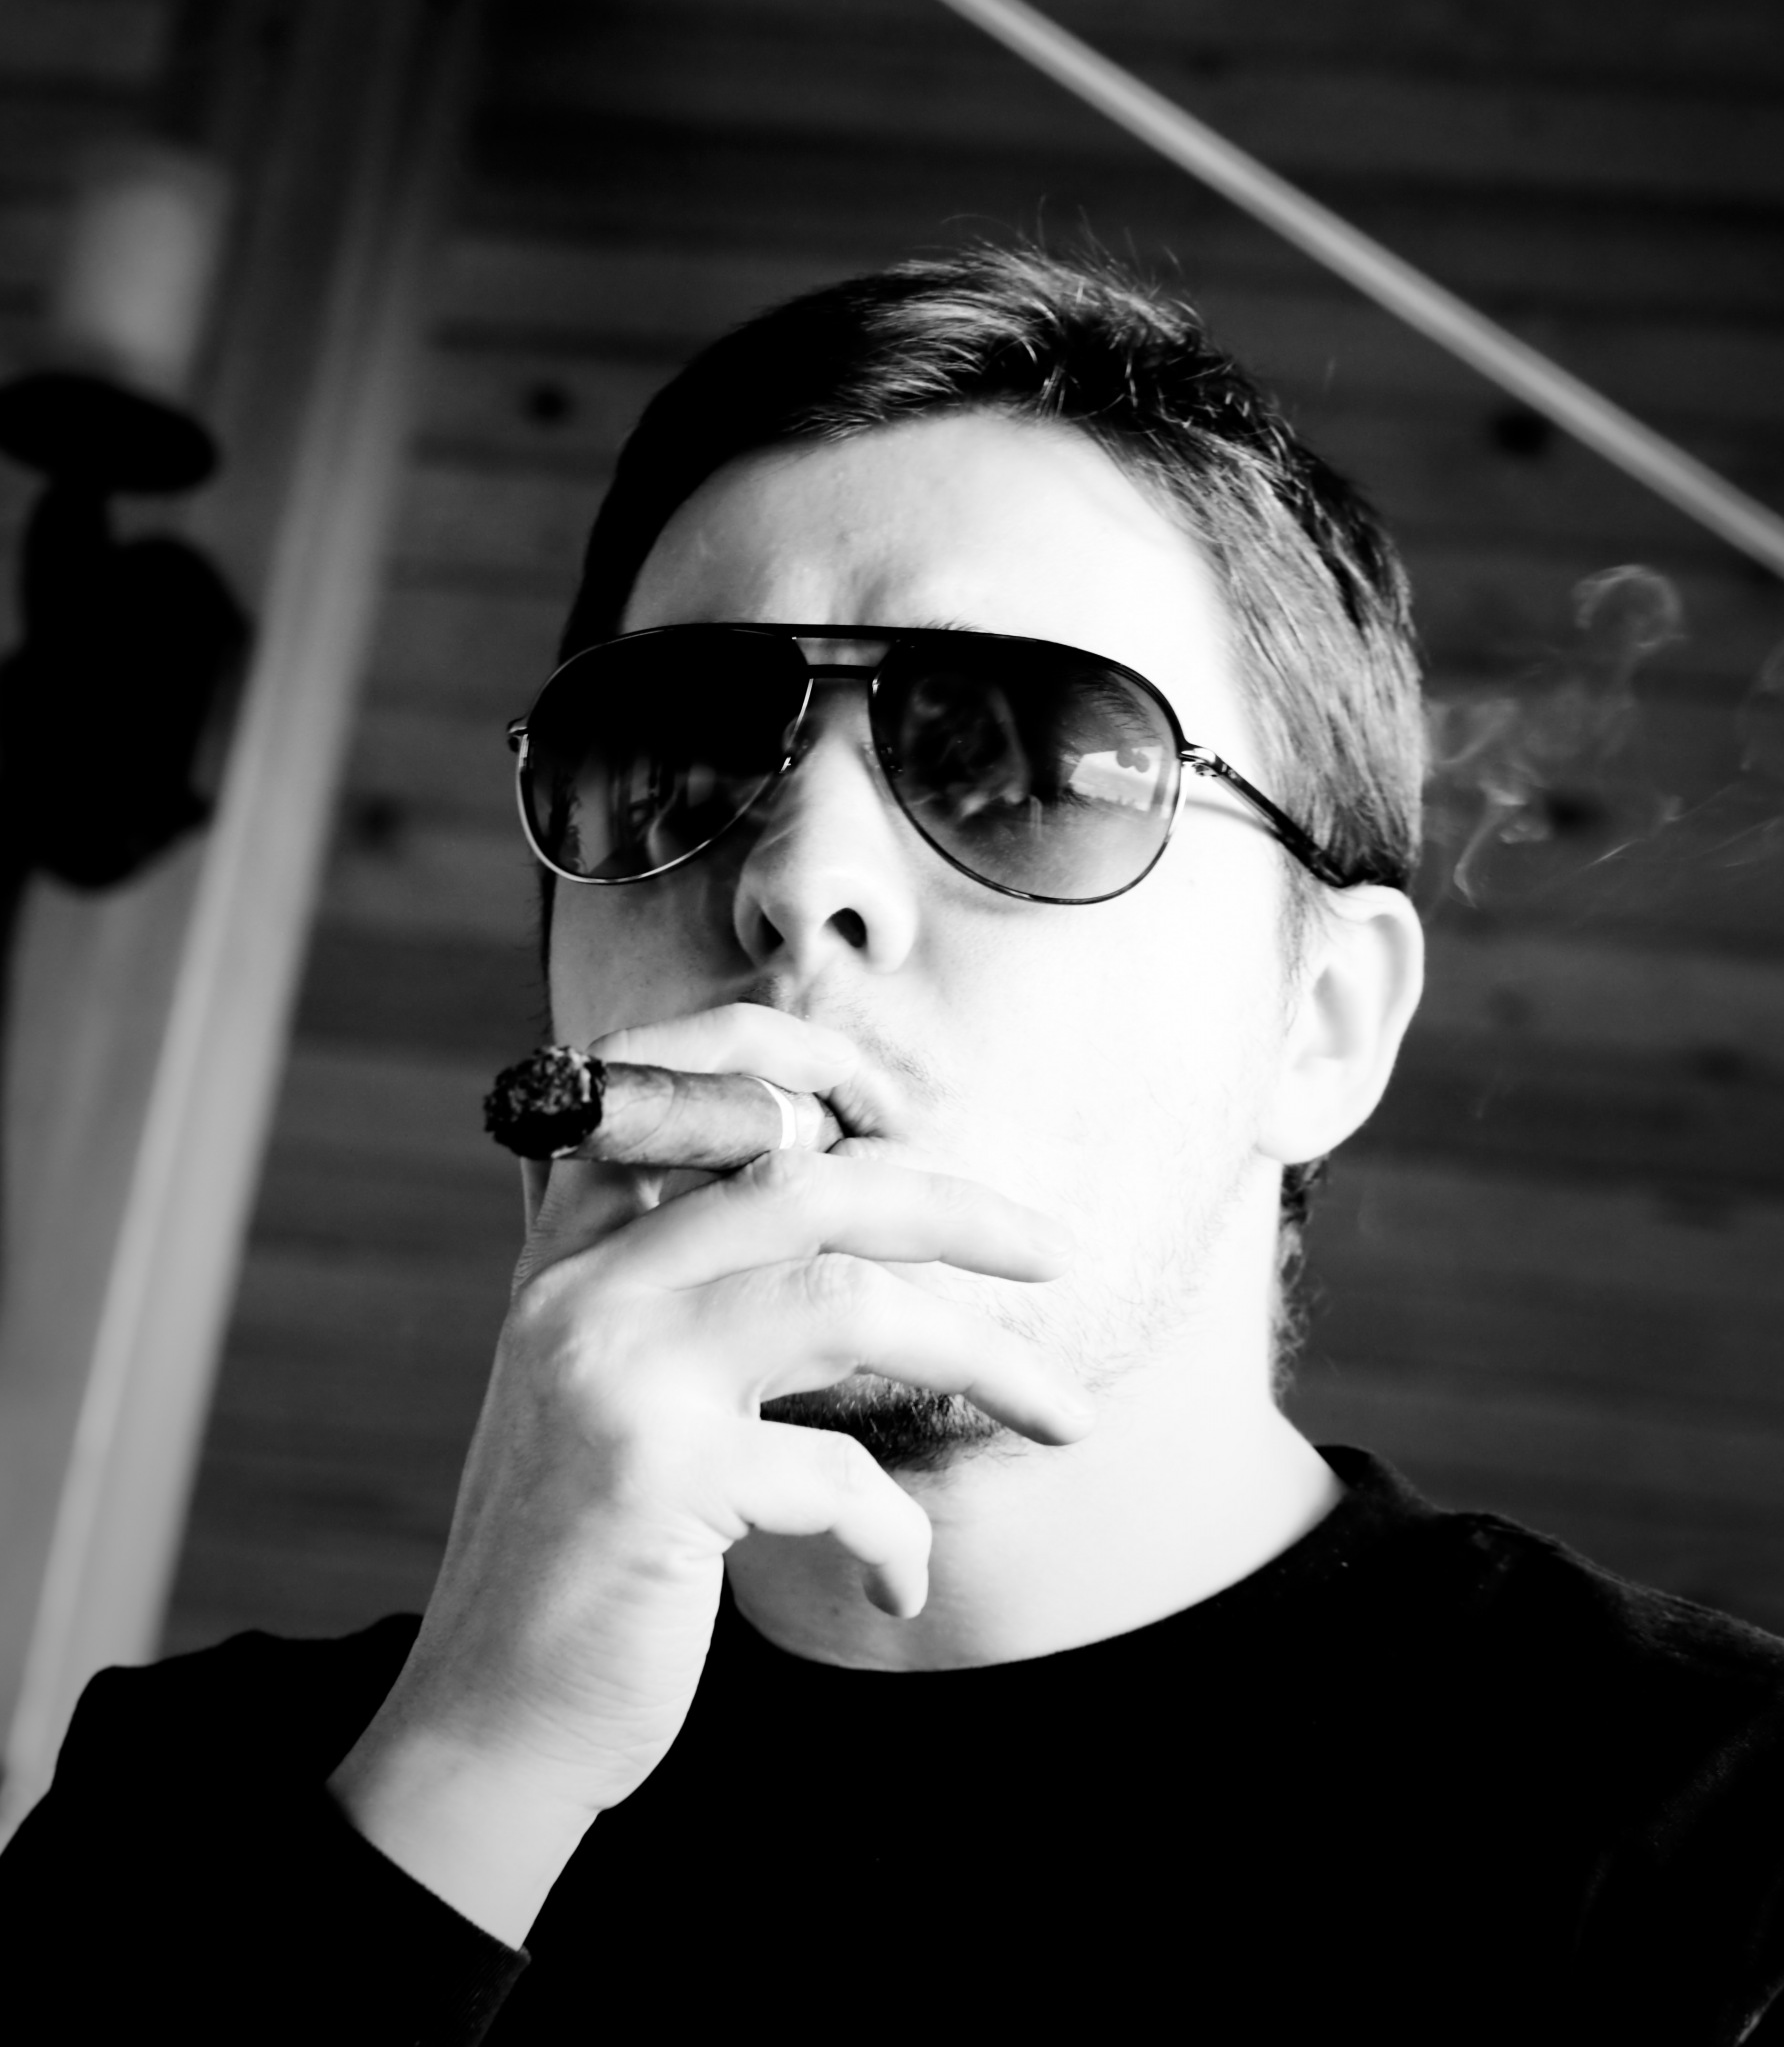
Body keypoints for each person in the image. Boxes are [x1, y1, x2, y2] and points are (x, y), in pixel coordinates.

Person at [4, 245, 1782, 2044]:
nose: (800, 880)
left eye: (1028, 764)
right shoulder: (203, 1809)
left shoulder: (1735, 1849)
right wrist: (475, 1762)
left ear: (1323, 1017)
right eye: (678, 760)